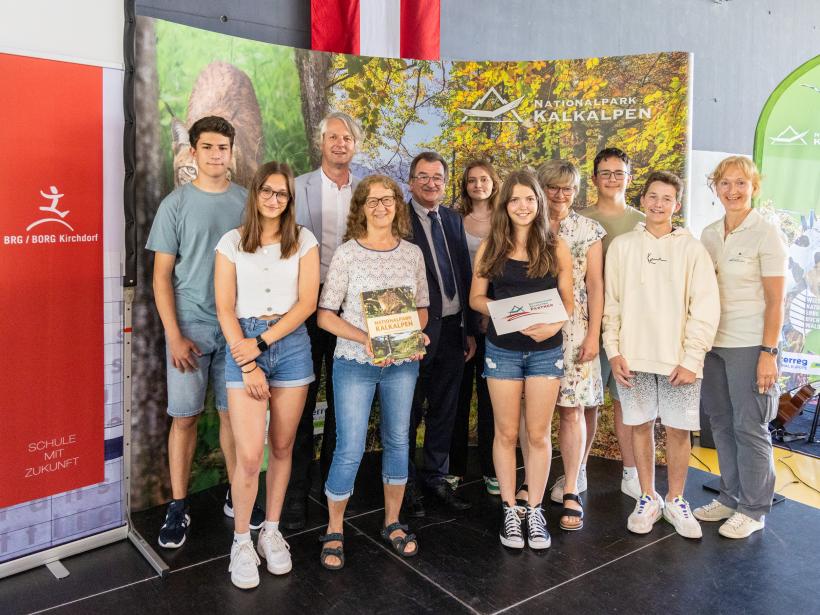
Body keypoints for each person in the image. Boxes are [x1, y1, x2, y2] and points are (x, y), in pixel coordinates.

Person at [146, 115, 264, 549]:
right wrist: (173, 334)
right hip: (190, 328)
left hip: (237, 326)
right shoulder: (174, 205)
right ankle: (178, 505)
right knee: (185, 418)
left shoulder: (246, 201)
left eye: (223, 148)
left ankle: (239, 492)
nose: (217, 155)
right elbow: (161, 277)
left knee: (234, 417)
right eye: (209, 147)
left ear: (232, 153)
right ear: (192, 151)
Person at [214, 161, 320, 588]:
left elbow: (307, 302)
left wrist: (264, 344)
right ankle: (242, 539)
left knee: (281, 446)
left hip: (291, 345)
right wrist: (249, 359)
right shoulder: (232, 242)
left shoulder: (304, 241)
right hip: (244, 341)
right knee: (248, 455)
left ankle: (271, 532)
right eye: (268, 191)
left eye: (283, 194)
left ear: (290, 200)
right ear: (255, 193)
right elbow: (224, 307)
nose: (275, 200)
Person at [316, 175, 428, 570]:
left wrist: (412, 335)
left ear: (398, 204)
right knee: (349, 446)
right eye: (372, 200)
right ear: (360, 207)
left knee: (399, 440)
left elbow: (423, 309)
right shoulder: (347, 254)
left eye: (388, 199)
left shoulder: (412, 254)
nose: (381, 206)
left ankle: (393, 522)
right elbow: (326, 316)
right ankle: (334, 528)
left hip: (401, 365)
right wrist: (366, 339)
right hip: (354, 363)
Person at [603, 171, 720, 538]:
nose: (657, 204)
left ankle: (676, 499)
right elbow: (612, 303)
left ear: (677, 205)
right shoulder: (622, 246)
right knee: (639, 426)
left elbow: (705, 307)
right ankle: (648, 497)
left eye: (666, 198)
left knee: (678, 430)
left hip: (678, 363)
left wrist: (692, 358)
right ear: (643, 201)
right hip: (633, 359)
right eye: (652, 196)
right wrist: (613, 350)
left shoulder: (692, 249)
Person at [469, 169, 573, 550]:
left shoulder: (555, 246)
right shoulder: (490, 247)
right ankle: (511, 510)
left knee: (538, 434)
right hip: (502, 351)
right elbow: (475, 299)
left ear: (539, 203)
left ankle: (535, 508)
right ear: (505, 205)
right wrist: (505, 311)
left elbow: (569, 303)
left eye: (529, 198)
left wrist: (552, 325)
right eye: (514, 199)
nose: (523, 206)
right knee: (507, 433)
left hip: (547, 351)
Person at [694, 156, 787, 539]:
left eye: (740, 184)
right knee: (720, 423)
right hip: (713, 342)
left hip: (750, 344)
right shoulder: (710, 233)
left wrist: (769, 352)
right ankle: (731, 496)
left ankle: (754, 508)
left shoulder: (766, 233)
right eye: (725, 183)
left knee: (750, 426)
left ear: (754, 187)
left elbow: (776, 301)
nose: (732, 191)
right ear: (715, 187)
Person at [515, 160, 604, 531]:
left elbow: (596, 285)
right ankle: (527, 481)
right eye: (553, 187)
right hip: (529, 325)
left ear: (577, 191)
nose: (560, 194)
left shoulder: (589, 230)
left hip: (574, 328)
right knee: (527, 410)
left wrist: (593, 334)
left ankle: (570, 487)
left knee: (571, 409)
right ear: (541, 188)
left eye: (568, 188)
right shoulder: (524, 225)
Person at [286, 111, 362, 530]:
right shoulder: (297, 189)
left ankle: (335, 489)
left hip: (351, 312)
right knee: (299, 400)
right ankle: (295, 494)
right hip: (303, 305)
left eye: (346, 138)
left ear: (355, 145)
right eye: (332, 137)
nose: (339, 143)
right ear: (321, 143)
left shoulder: (368, 191)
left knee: (343, 404)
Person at [567, 147, 646, 501]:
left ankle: (631, 473)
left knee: (627, 402)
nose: (612, 179)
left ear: (629, 178)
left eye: (619, 172)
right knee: (587, 403)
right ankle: (578, 470)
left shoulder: (645, 222)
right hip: (589, 329)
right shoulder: (579, 220)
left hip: (632, 329)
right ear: (595, 177)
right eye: (605, 172)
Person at [404, 151, 477, 517]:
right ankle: (405, 486)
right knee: (409, 410)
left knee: (445, 411)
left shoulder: (452, 218)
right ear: (411, 181)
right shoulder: (398, 219)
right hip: (415, 332)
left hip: (453, 330)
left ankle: (435, 477)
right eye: (423, 176)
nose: (431, 183)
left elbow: (463, 273)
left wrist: (468, 328)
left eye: (438, 177)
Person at [449, 159, 500, 495]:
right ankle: (452, 468)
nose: (478, 185)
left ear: (494, 182)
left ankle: (492, 469)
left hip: (497, 318)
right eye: (471, 180)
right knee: (457, 394)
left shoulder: (506, 219)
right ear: (464, 185)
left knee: (492, 398)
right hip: (459, 319)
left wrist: (490, 312)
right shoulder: (454, 220)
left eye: (484, 179)